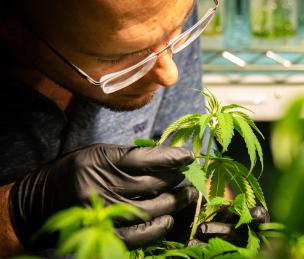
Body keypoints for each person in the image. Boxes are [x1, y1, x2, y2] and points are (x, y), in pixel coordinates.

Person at [0, 0, 269, 257]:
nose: (169, 74)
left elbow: (199, 174)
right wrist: (16, 214)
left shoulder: (159, 19)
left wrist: (210, 215)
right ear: (11, 30)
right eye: (126, 57)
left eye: (178, 29)